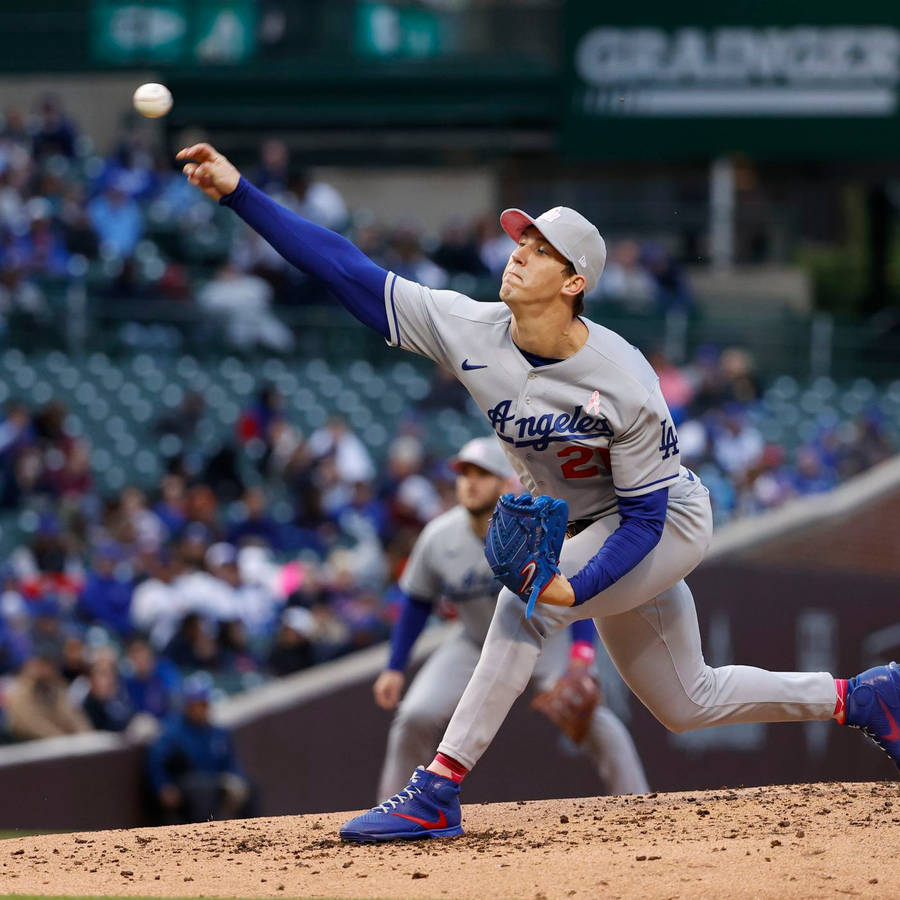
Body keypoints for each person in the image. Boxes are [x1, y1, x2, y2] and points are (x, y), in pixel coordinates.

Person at [176, 143, 900, 843]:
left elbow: (643, 522)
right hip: (589, 526)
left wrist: (567, 589)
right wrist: (241, 194)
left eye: (540, 248)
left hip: (662, 522)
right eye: (520, 240)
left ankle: (437, 792)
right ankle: (860, 697)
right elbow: (347, 269)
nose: (518, 252)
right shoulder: (471, 329)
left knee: (523, 604)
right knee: (687, 701)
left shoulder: (625, 380)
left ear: (574, 282)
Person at [374, 436, 648, 801]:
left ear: (507, 483)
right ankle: (391, 808)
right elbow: (417, 602)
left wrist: (582, 653)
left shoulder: (538, 525)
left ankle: (637, 800)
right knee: (414, 715)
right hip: (473, 640)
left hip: (545, 637)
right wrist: (395, 666)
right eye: (464, 474)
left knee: (591, 717)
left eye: (482, 474)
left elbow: (576, 590)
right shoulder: (438, 537)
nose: (470, 482)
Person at [145, 674, 252, 824]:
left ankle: (251, 831)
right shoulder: (174, 732)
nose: (199, 709)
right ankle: (204, 834)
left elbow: (231, 762)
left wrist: (236, 778)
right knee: (201, 789)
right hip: (187, 785)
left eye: (203, 704)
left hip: (216, 782)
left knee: (249, 786)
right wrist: (163, 786)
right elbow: (156, 760)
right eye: (195, 705)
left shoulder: (218, 733)